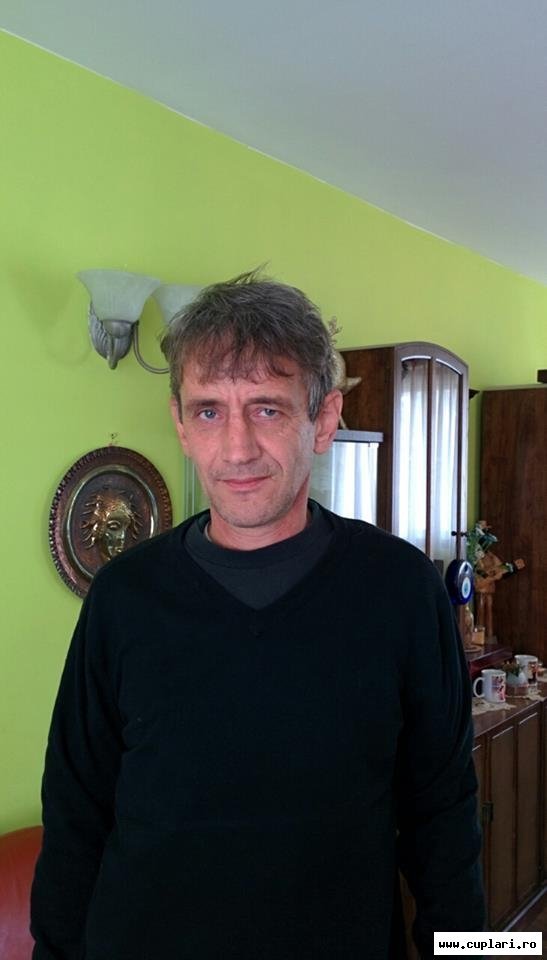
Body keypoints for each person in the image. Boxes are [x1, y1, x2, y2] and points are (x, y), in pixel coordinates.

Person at [31, 270, 485, 959]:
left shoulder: (400, 590)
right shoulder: (124, 597)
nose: (237, 448)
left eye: (267, 409)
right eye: (209, 411)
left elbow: (443, 818)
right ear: (181, 425)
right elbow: (74, 815)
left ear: (322, 420)